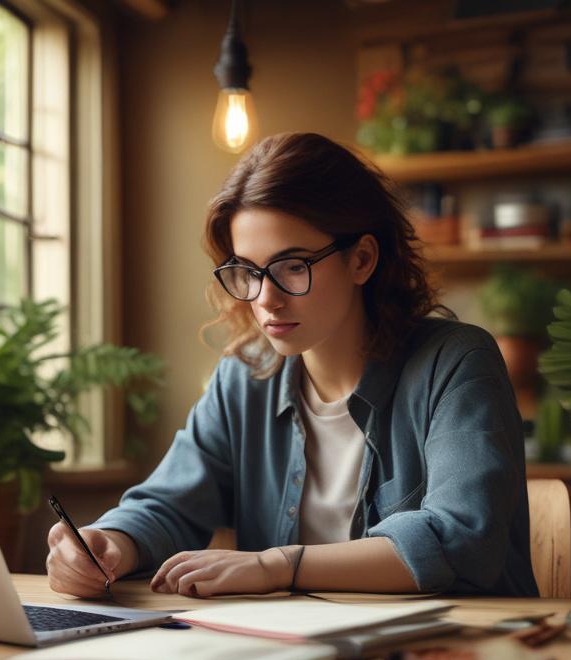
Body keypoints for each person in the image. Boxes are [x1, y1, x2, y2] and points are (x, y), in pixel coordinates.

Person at [47, 132, 538, 599]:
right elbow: (169, 503)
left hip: (459, 658)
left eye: (293, 266)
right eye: (248, 271)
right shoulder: (244, 377)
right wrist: (110, 543)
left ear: (362, 259)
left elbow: (460, 538)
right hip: (297, 652)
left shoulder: (455, 364)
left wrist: (275, 566)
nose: (266, 299)